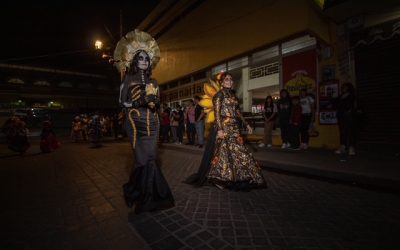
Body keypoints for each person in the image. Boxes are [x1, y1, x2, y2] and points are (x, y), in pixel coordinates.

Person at [117, 30, 174, 214]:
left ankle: (152, 197)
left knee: (151, 158)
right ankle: (136, 192)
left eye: (146, 59)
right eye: (140, 58)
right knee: (141, 160)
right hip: (135, 122)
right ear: (135, 61)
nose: (144, 61)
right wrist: (139, 101)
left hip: (153, 121)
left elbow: (157, 102)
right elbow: (121, 102)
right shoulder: (128, 79)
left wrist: (153, 100)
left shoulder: (154, 81)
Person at [186, 72, 266, 190]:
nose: (230, 81)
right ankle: (219, 178)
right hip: (224, 127)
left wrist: (246, 124)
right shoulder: (219, 95)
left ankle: (241, 176)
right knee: (224, 155)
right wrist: (220, 130)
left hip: (234, 127)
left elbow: (238, 112)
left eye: (231, 80)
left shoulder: (232, 95)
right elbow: (217, 114)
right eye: (227, 80)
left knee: (238, 152)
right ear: (222, 83)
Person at [335, 82, 356, 155]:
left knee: (350, 131)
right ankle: (342, 147)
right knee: (342, 131)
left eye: (345, 87)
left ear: (349, 88)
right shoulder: (340, 96)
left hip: (348, 115)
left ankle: (351, 148)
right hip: (341, 115)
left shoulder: (351, 95)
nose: (344, 88)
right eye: (343, 87)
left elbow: (349, 105)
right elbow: (336, 104)